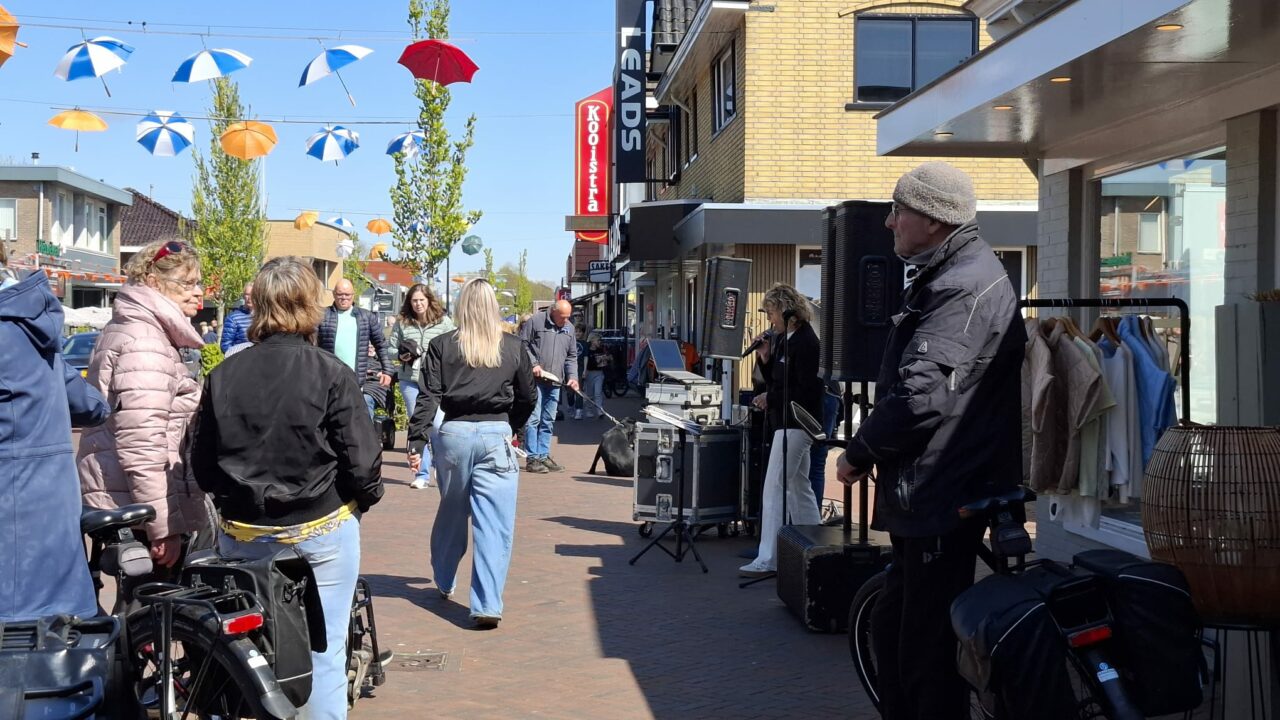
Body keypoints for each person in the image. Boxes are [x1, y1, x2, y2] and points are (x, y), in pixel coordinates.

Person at [836, 162, 1024, 720]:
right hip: (935, 487)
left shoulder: (960, 286)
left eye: (899, 211)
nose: (890, 222)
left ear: (935, 218)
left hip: (942, 491)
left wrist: (859, 452)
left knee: (926, 653)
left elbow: (921, 398)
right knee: (897, 627)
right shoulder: (951, 272)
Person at [192, 257, 383, 720]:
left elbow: (202, 461)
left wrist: (232, 499)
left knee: (248, 653)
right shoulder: (331, 372)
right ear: (308, 306)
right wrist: (361, 500)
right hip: (321, 526)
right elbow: (362, 457)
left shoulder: (223, 375)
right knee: (323, 648)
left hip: (245, 534)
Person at [407, 279, 535, 629]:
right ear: (494, 307)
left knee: (452, 510)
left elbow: (428, 397)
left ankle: (445, 576)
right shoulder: (512, 347)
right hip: (496, 433)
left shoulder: (442, 346)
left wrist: (416, 439)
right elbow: (528, 396)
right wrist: (513, 427)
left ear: (462, 306)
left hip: (455, 435)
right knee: (494, 524)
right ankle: (487, 604)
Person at [78, 239, 209, 573]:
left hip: (126, 496)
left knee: (143, 612)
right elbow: (142, 442)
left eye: (198, 283)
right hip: (139, 508)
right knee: (156, 615)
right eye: (187, 283)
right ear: (154, 283)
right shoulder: (146, 341)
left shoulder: (131, 328)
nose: (198, 293)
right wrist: (161, 526)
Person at [1, 243, 109, 622]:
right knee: (59, 645)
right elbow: (91, 405)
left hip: (10, 523)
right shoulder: (30, 329)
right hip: (50, 520)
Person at [739, 284, 825, 577]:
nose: (769, 319)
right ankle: (814, 544)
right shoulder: (786, 340)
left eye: (771, 312)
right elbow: (777, 380)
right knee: (798, 486)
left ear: (787, 311)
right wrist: (765, 357)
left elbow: (806, 389)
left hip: (796, 424)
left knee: (774, 486)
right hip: (785, 423)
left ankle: (769, 558)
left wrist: (771, 398)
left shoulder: (806, 342)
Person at [391, 284, 455, 489]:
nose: (418, 304)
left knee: (436, 426)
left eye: (421, 300)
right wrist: (401, 354)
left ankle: (438, 461)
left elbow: (455, 346)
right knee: (417, 425)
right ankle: (422, 473)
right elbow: (390, 348)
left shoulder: (443, 322)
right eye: (414, 300)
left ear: (429, 301)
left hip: (435, 382)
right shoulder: (402, 323)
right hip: (410, 380)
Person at [318, 278, 394, 421]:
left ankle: (365, 443)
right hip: (328, 379)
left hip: (356, 379)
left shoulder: (366, 317)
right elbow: (311, 345)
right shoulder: (322, 316)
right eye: (340, 294)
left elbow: (381, 344)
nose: (343, 298)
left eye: (347, 294)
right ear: (334, 294)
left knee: (359, 420)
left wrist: (387, 370)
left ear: (353, 295)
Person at [517, 299, 579, 473]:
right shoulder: (535, 321)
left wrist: (573, 377)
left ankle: (543, 456)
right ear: (553, 312)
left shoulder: (569, 329)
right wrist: (533, 363)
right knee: (534, 419)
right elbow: (523, 344)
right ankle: (532, 458)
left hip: (555, 381)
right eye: (562, 317)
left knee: (548, 420)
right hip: (536, 380)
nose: (565, 321)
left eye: (568, 317)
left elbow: (571, 356)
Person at [581, 334, 611, 420]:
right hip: (589, 373)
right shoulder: (587, 350)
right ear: (592, 341)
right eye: (598, 340)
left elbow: (606, 360)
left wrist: (606, 359)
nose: (599, 342)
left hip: (599, 373)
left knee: (598, 393)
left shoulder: (601, 349)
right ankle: (589, 410)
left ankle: (600, 410)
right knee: (589, 393)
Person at [219, 282, 253, 352]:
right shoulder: (233, 318)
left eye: (253, 294)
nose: (249, 298)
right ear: (243, 296)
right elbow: (225, 346)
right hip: (242, 359)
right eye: (247, 294)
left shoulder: (264, 316)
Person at [570, 323, 588, 419]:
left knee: (579, 390)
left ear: (583, 333)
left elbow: (586, 357)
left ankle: (579, 411)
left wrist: (585, 370)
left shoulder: (584, 344)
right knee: (570, 391)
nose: (578, 333)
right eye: (576, 331)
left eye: (580, 332)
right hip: (569, 368)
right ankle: (571, 406)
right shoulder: (569, 342)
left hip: (580, 369)